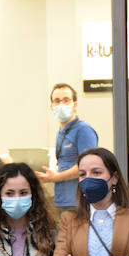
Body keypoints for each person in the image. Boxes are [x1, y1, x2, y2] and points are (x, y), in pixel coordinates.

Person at [38, 83, 98, 211]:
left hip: (79, 202)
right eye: (57, 101)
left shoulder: (84, 130)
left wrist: (55, 177)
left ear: (74, 104)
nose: (61, 104)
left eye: (66, 100)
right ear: (52, 107)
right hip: (62, 200)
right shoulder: (62, 132)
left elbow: (87, 167)